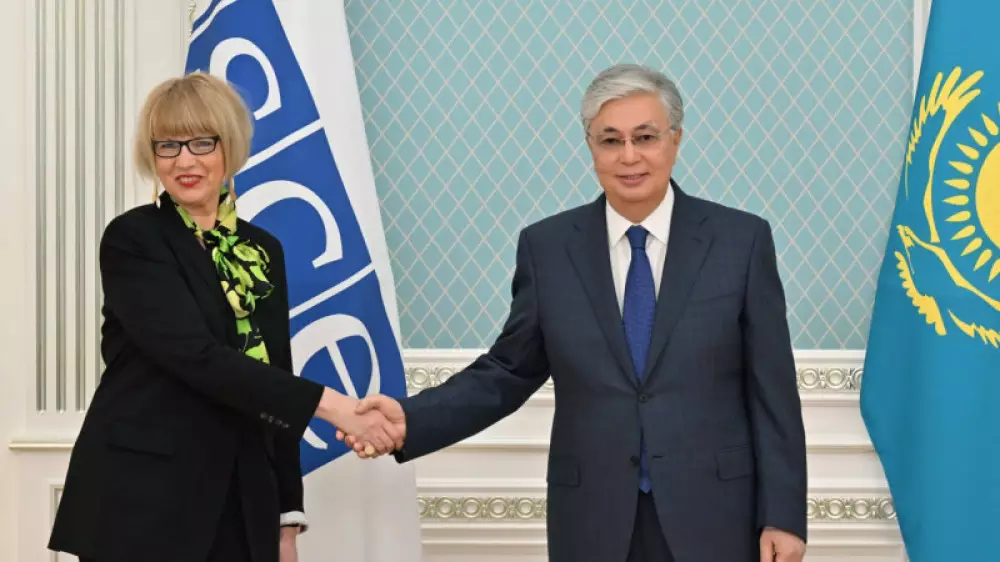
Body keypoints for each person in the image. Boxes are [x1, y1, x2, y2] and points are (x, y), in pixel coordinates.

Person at [340, 64, 808, 562]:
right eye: (610, 140)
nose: (629, 156)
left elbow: (772, 392)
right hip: (592, 518)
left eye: (645, 137)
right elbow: (507, 372)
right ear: (590, 147)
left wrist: (783, 516)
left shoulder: (740, 241)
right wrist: (410, 419)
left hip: (716, 515)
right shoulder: (548, 248)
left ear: (675, 139)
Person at [47, 72, 400, 562]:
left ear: (228, 146)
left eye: (201, 142)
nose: (184, 161)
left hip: (242, 495)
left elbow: (274, 370)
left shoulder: (261, 249)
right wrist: (333, 407)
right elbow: (196, 355)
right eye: (168, 145)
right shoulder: (134, 238)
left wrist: (286, 520)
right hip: (143, 497)